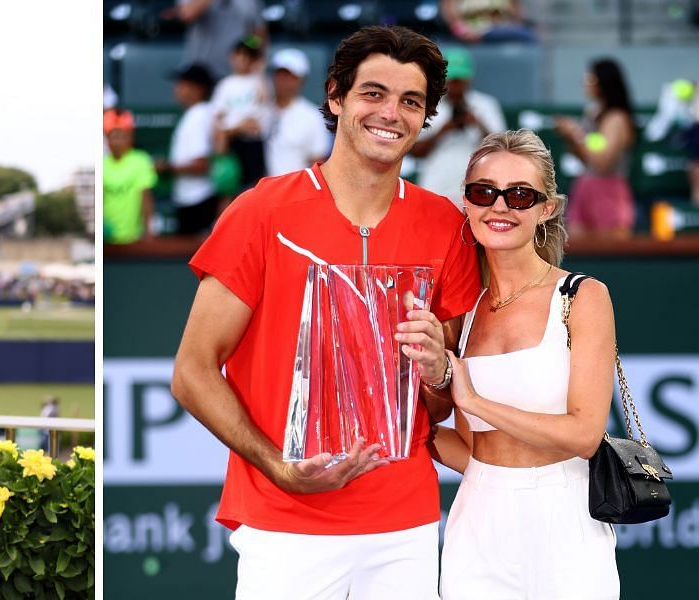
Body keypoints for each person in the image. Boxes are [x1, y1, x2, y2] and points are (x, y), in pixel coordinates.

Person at [172, 26, 481, 598]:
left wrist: (440, 369)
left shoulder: (446, 227)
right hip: (285, 522)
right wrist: (279, 467)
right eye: (374, 93)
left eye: (411, 101)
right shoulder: (262, 210)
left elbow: (439, 404)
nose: (391, 113)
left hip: (404, 525)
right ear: (336, 97)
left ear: (425, 118)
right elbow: (192, 371)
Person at [433, 129, 618, 598]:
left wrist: (472, 396)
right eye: (484, 192)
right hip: (477, 518)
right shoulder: (463, 311)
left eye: (519, 195)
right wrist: (405, 424)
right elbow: (472, 451)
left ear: (546, 209)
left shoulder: (582, 296)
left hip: (567, 516)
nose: (499, 207)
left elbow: (584, 435)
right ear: (467, 204)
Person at [411, 47, 506, 206]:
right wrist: (443, 131)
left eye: (459, 80)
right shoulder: (428, 105)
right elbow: (415, 151)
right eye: (452, 80)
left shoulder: (486, 105)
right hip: (435, 188)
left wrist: (477, 124)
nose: (455, 86)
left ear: (469, 79)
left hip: (477, 190)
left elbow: (501, 149)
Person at [555, 57, 637, 240]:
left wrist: (577, 134)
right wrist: (572, 139)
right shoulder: (592, 113)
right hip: (585, 187)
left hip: (608, 191)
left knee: (611, 253)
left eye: (591, 78)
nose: (585, 82)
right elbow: (587, 156)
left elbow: (603, 161)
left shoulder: (617, 118)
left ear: (603, 82)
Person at [158, 64, 219, 236]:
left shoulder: (199, 116)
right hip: (190, 200)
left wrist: (166, 168)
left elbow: (201, 164)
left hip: (199, 202)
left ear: (198, 89)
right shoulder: (197, 114)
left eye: (183, 83)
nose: (177, 88)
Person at [211, 36, 269, 193]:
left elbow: (263, 100)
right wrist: (232, 131)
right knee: (229, 189)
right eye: (238, 54)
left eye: (247, 56)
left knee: (253, 188)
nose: (242, 59)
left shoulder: (258, 81)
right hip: (232, 142)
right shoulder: (226, 85)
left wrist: (259, 70)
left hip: (253, 142)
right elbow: (218, 117)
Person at [262, 48, 331, 177]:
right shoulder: (261, 110)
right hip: (260, 190)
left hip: (293, 191)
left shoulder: (313, 117)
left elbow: (317, 163)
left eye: (289, 76)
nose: (282, 80)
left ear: (301, 81)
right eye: (279, 74)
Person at [164, 0, 266, 80]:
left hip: (236, 74)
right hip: (203, 75)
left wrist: (254, 57)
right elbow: (187, 14)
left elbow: (256, 32)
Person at [103, 108, 158, 244]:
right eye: (113, 135)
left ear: (130, 137)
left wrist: (149, 232)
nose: (117, 140)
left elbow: (146, 198)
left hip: (133, 238)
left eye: (122, 135)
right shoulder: (101, 164)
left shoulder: (140, 160)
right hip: (107, 240)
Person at [440, 0, 535, 44]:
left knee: (528, 35)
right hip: (471, 38)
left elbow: (516, 16)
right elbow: (450, 12)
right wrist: (463, 32)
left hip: (502, 35)